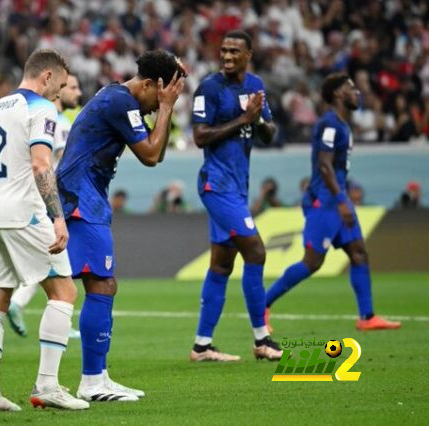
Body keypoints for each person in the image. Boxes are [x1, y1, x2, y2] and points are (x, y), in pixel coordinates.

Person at [57, 49, 185, 401]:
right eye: (154, 99)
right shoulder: (120, 102)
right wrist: (168, 107)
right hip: (79, 197)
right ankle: (90, 381)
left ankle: (97, 376)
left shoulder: (118, 98)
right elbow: (148, 155)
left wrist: (164, 102)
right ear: (147, 84)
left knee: (101, 284)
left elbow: (156, 154)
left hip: (85, 196)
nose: (152, 109)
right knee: (100, 283)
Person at [0, 49, 88, 412]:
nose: (61, 93)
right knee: (64, 291)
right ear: (47, 76)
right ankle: (47, 386)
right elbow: (41, 165)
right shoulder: (41, 108)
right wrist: (56, 217)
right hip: (23, 212)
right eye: (62, 84)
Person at [265, 73, 401, 331]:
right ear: (338, 94)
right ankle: (262, 305)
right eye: (351, 88)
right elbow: (324, 166)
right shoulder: (329, 124)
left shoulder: (342, 124)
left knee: (359, 253)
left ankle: (367, 317)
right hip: (325, 202)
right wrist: (340, 200)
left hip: (338, 200)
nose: (357, 92)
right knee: (312, 262)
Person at [189, 30, 282, 363]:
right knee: (255, 252)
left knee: (222, 264)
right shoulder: (209, 89)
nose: (227, 56)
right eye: (223, 50)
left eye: (234, 52)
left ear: (249, 55)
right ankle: (262, 339)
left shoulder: (255, 85)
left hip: (237, 187)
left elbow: (270, 133)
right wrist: (243, 118)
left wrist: (258, 121)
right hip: (217, 186)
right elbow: (200, 137)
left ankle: (202, 346)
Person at [6, 73, 83, 339]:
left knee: (50, 256)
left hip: (27, 197)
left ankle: (19, 301)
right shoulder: (55, 121)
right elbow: (60, 160)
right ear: (58, 90)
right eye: (71, 87)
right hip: (54, 197)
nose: (77, 92)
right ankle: (23, 303)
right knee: (56, 256)